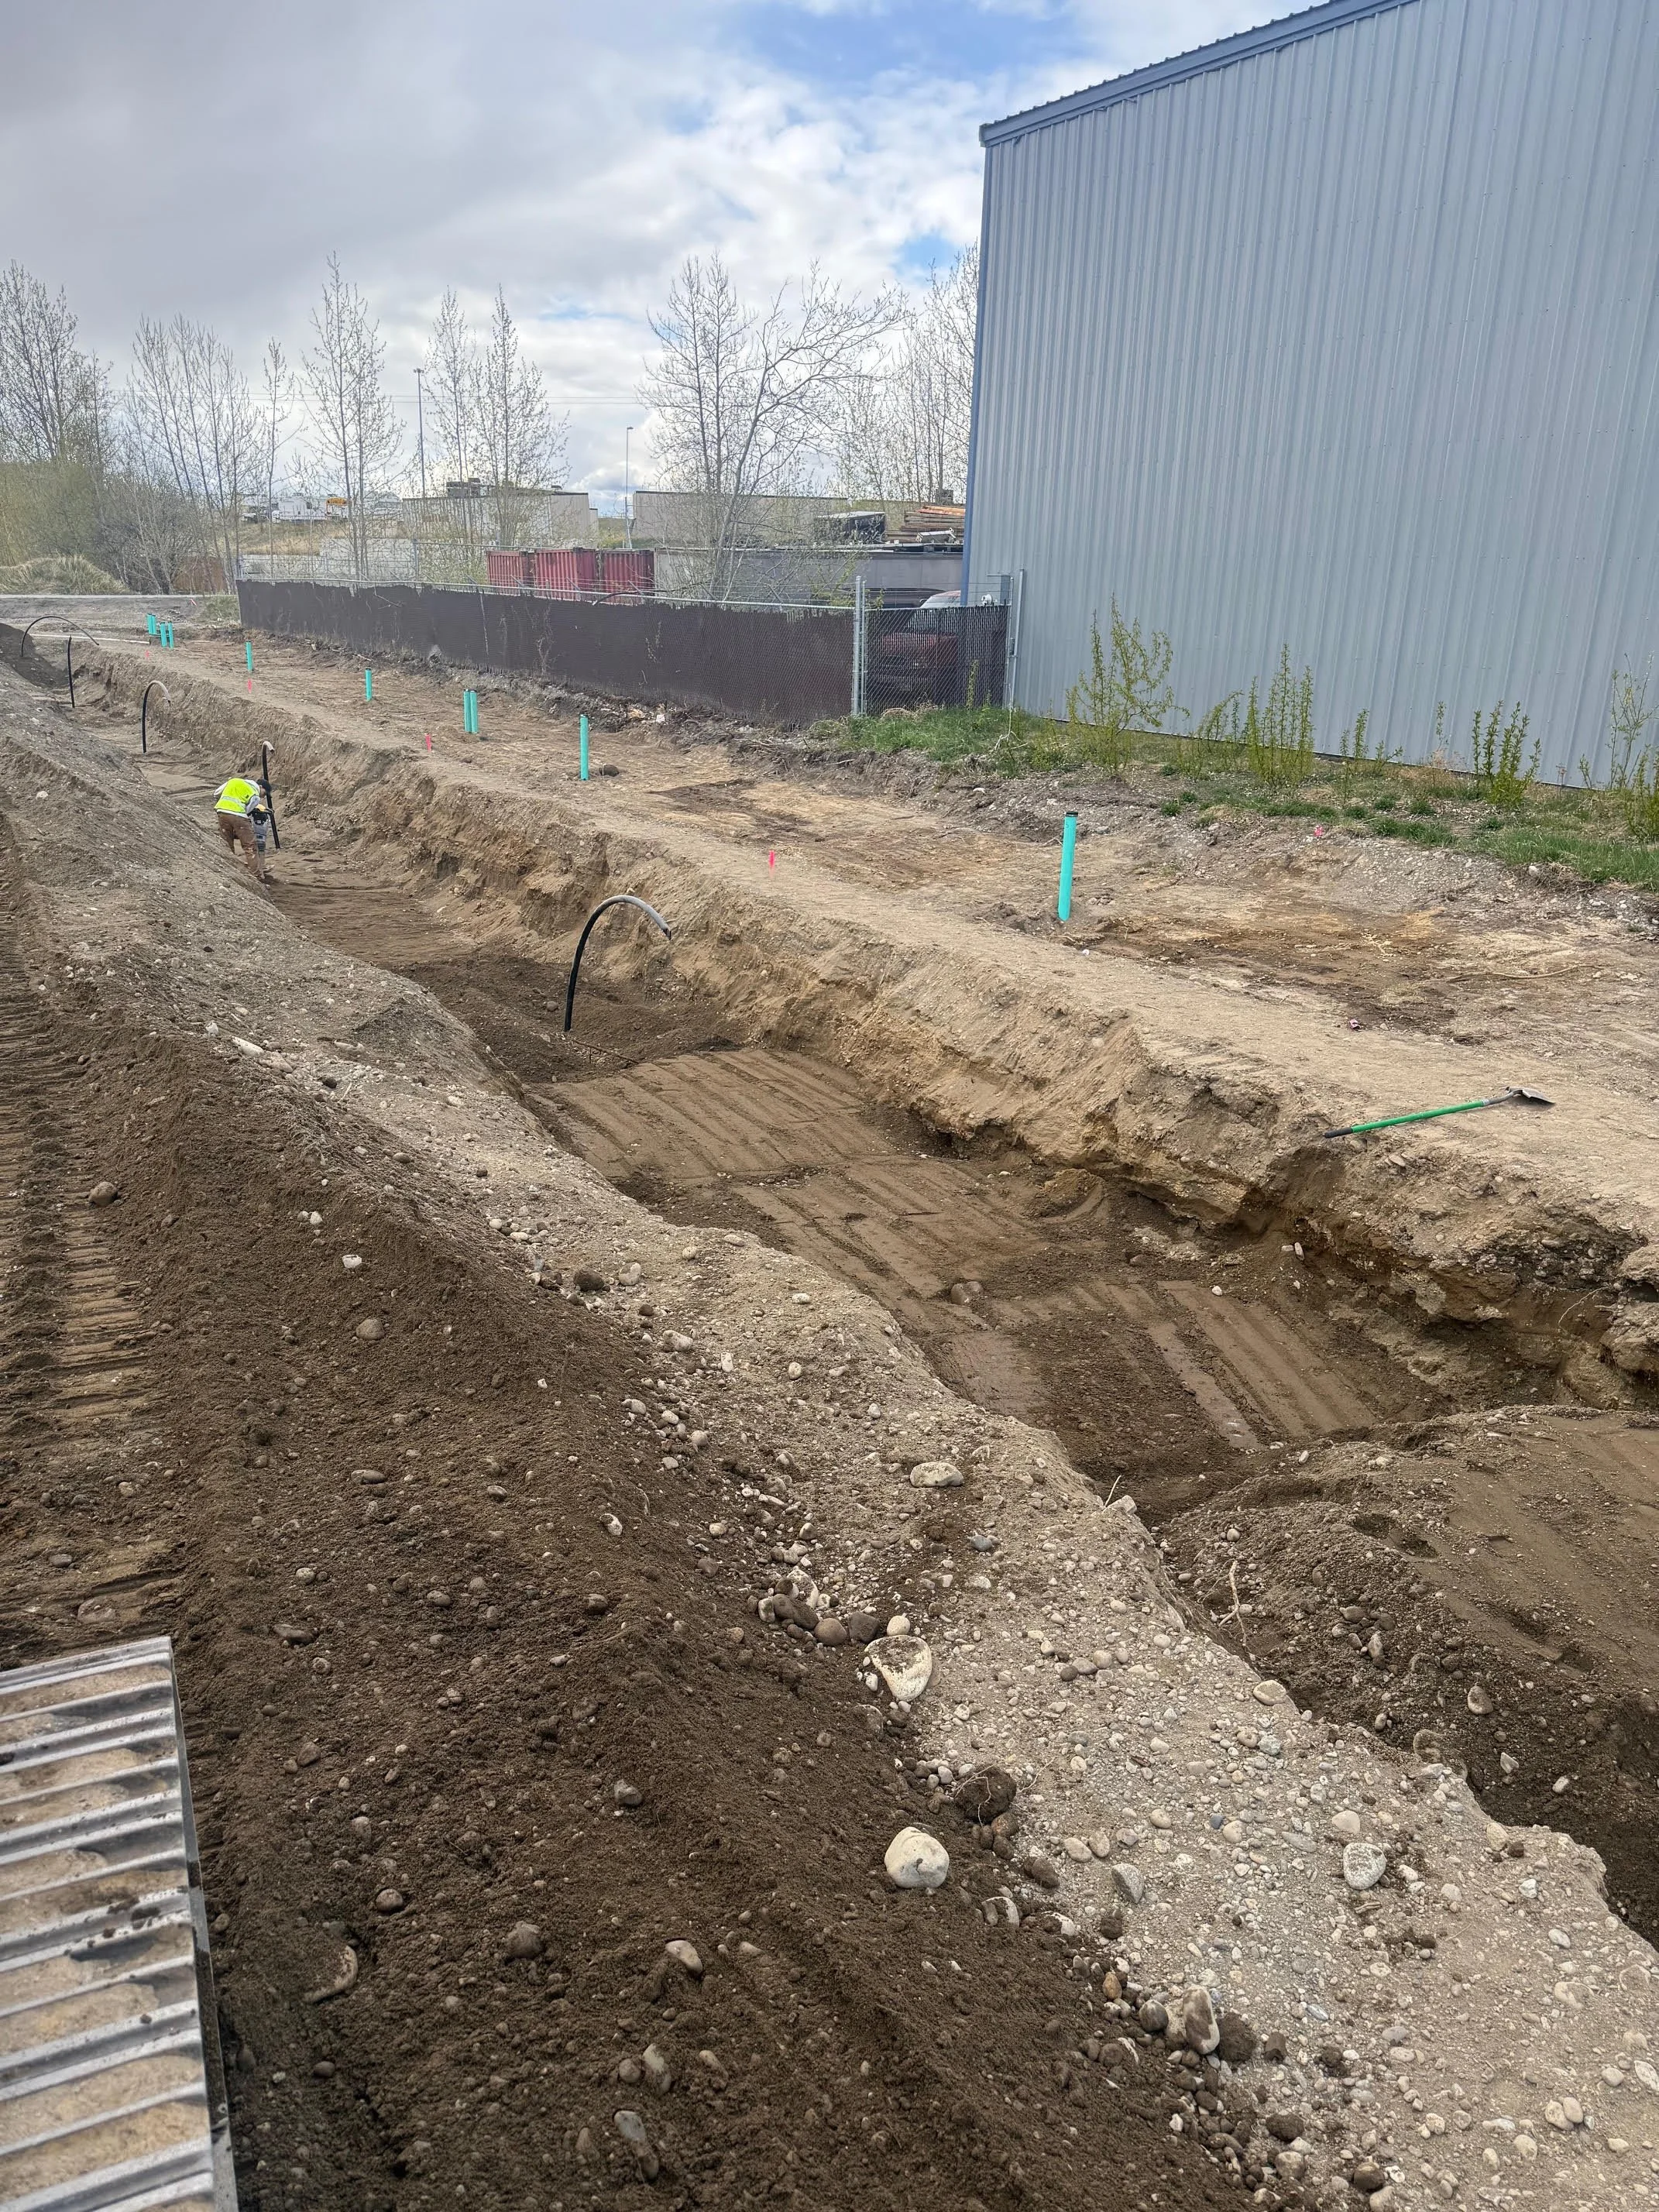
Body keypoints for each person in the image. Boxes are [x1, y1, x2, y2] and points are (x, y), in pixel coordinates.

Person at [214, 773, 270, 884]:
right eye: (264, 794)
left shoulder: (234, 781)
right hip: (238, 814)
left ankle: (231, 868)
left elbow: (216, 794)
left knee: (227, 843)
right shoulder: (255, 794)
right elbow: (247, 811)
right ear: (261, 787)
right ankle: (257, 877)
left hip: (221, 812)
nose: (263, 797)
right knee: (250, 846)